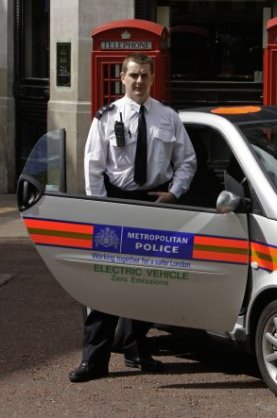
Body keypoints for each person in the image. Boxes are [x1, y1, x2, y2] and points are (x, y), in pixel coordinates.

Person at [69, 53, 197, 383]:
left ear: (153, 79)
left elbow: (187, 161)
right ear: (122, 78)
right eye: (133, 75)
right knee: (106, 282)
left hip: (155, 202)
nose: (139, 81)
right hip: (116, 203)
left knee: (148, 281)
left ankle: (137, 350)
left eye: (145, 75)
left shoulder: (168, 116)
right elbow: (93, 167)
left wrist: (175, 193)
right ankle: (94, 360)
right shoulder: (106, 116)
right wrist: (100, 208)